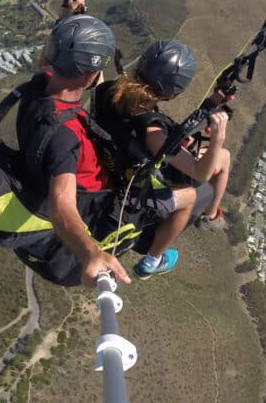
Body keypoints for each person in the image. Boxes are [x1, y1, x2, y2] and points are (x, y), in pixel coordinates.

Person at [0, 14, 204, 287]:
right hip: (99, 202)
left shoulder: (38, 91)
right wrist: (91, 253)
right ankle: (153, 258)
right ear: (88, 75)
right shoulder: (66, 136)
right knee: (190, 194)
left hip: (43, 170)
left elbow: (46, 61)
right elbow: (62, 206)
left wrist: (70, 17)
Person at [93, 40, 233, 279]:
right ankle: (153, 260)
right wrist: (218, 137)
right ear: (173, 93)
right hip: (135, 188)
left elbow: (96, 75)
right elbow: (200, 173)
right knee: (219, 161)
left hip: (115, 160)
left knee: (208, 153)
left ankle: (210, 215)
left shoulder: (108, 90)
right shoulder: (154, 132)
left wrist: (213, 102)